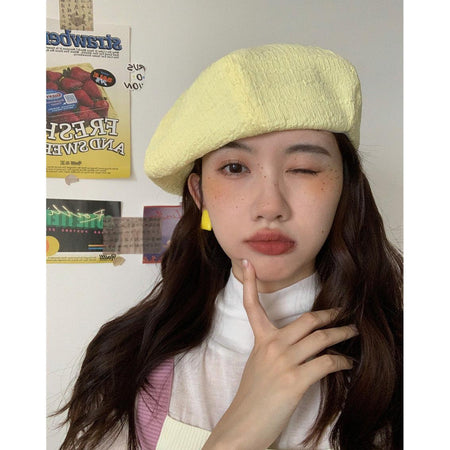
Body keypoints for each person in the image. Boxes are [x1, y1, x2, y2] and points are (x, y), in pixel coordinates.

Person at [55, 44, 403, 450]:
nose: (270, 206)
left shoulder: (406, 358)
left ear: (344, 189)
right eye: (235, 167)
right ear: (199, 194)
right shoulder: (124, 360)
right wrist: (238, 433)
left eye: (304, 169)